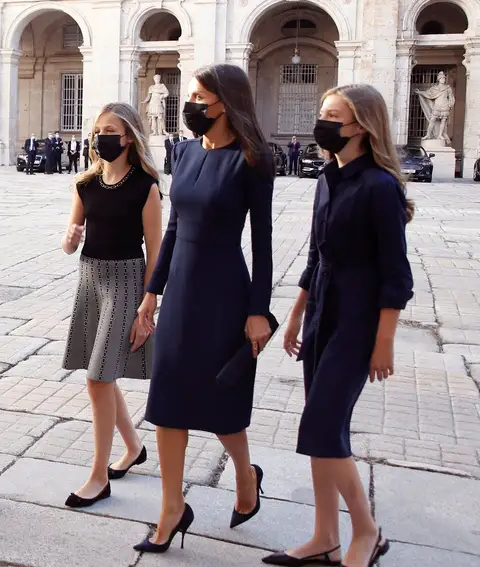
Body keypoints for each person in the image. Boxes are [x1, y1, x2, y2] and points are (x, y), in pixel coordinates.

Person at [265, 84, 413, 567]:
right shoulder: (327, 176)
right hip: (324, 312)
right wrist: (294, 315)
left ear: (361, 127)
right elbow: (315, 254)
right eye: (321, 113)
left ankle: (367, 532)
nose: (322, 123)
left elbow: (396, 276)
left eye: (332, 116)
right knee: (320, 430)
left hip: (358, 321)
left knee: (323, 426)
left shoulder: (380, 187)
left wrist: (383, 343)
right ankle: (325, 534)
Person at [136, 63, 274, 553]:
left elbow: (263, 241)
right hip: (181, 296)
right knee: (169, 404)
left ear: (225, 102)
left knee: (221, 406)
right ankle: (172, 508)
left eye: (198, 97)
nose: (189, 104)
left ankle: (244, 474)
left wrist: (259, 310)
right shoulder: (185, 152)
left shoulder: (254, 159)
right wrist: (153, 292)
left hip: (224, 295)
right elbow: (173, 228)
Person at [61, 102, 163, 508]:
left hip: (126, 281)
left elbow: (155, 253)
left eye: (111, 130)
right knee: (101, 373)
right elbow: (70, 242)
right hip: (90, 279)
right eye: (97, 130)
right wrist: (69, 238)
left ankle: (98, 475)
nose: (101, 136)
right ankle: (134, 447)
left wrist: (148, 307)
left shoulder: (146, 186)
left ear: (129, 138)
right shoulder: (85, 183)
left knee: (98, 378)